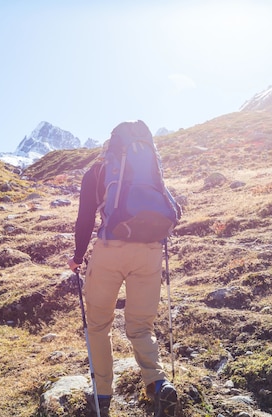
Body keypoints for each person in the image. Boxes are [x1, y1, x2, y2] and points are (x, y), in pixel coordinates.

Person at [68, 121, 179, 417]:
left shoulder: (98, 170)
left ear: (112, 143)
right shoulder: (152, 166)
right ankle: (157, 383)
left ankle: (102, 395)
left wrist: (78, 257)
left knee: (99, 324)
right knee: (141, 325)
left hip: (111, 251)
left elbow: (85, 219)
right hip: (151, 251)